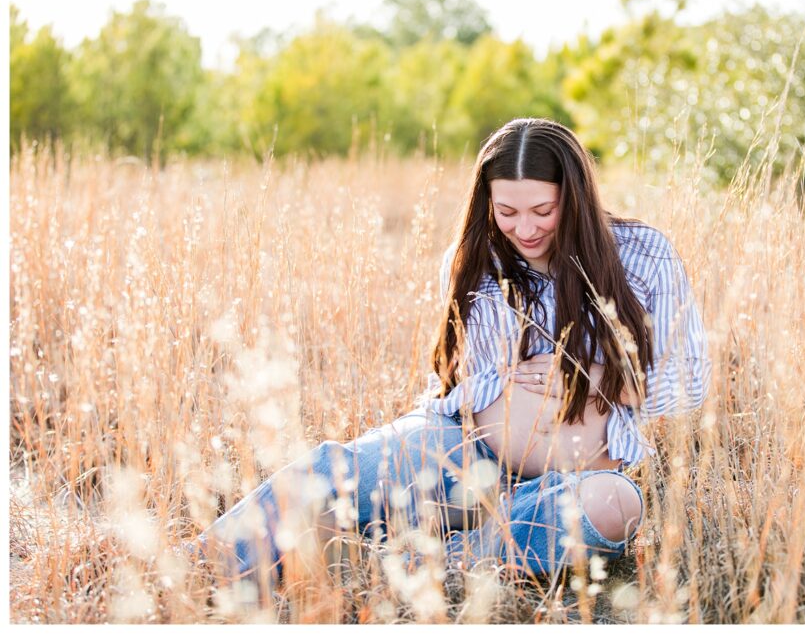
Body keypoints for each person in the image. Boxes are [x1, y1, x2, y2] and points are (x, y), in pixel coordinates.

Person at [191, 117, 711, 592]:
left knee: (613, 506)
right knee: (334, 470)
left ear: (573, 197)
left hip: (578, 475)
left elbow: (687, 383)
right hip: (460, 447)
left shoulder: (645, 255)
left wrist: (590, 375)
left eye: (543, 211)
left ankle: (421, 560)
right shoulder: (475, 262)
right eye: (506, 211)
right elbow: (478, 380)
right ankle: (196, 570)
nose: (525, 229)